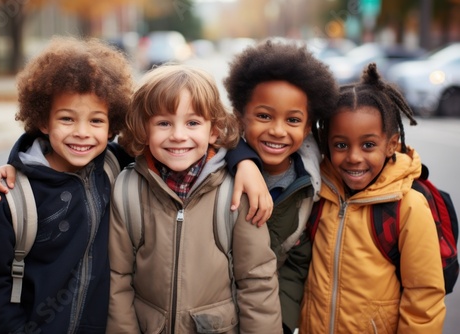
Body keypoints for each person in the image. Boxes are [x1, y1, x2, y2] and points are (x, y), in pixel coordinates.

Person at [0, 36, 135, 333]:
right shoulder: (10, 196)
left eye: (96, 121)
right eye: (67, 119)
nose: (82, 133)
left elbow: (175, 151)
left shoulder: (114, 166)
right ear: (43, 121)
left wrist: (243, 161)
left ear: (111, 126)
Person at [107, 63, 282, 333]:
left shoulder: (237, 190)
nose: (178, 136)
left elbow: (256, 280)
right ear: (145, 128)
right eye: (163, 123)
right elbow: (118, 279)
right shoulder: (128, 189)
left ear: (214, 130)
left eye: (192, 123)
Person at [300, 63, 446, 333]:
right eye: (341, 145)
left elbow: (424, 298)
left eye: (368, 145)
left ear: (391, 144)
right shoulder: (319, 191)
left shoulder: (408, 206)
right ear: (326, 143)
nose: (354, 157)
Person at [222, 39, 339, 333]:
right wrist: (242, 160)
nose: (277, 130)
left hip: (265, 315)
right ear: (240, 116)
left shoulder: (310, 187)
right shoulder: (217, 163)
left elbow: (297, 262)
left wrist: (284, 323)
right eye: (264, 116)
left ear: (308, 126)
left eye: (293, 120)